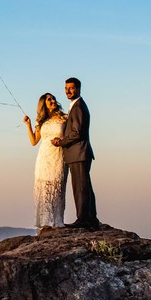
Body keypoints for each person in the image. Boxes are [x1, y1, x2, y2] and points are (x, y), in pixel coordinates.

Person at [51, 77, 99, 228]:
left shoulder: (78, 106)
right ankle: (90, 218)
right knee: (84, 186)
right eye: (66, 88)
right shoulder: (77, 105)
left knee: (81, 188)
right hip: (79, 153)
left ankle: (84, 220)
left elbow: (77, 133)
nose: (68, 91)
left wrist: (61, 142)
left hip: (78, 153)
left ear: (78, 89)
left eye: (71, 88)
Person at [23, 93, 67, 231]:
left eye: (53, 98)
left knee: (57, 187)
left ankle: (57, 221)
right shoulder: (41, 121)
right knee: (44, 189)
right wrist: (28, 125)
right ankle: (45, 223)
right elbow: (34, 141)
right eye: (49, 99)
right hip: (44, 157)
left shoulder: (65, 117)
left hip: (58, 155)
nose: (53, 100)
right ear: (44, 104)